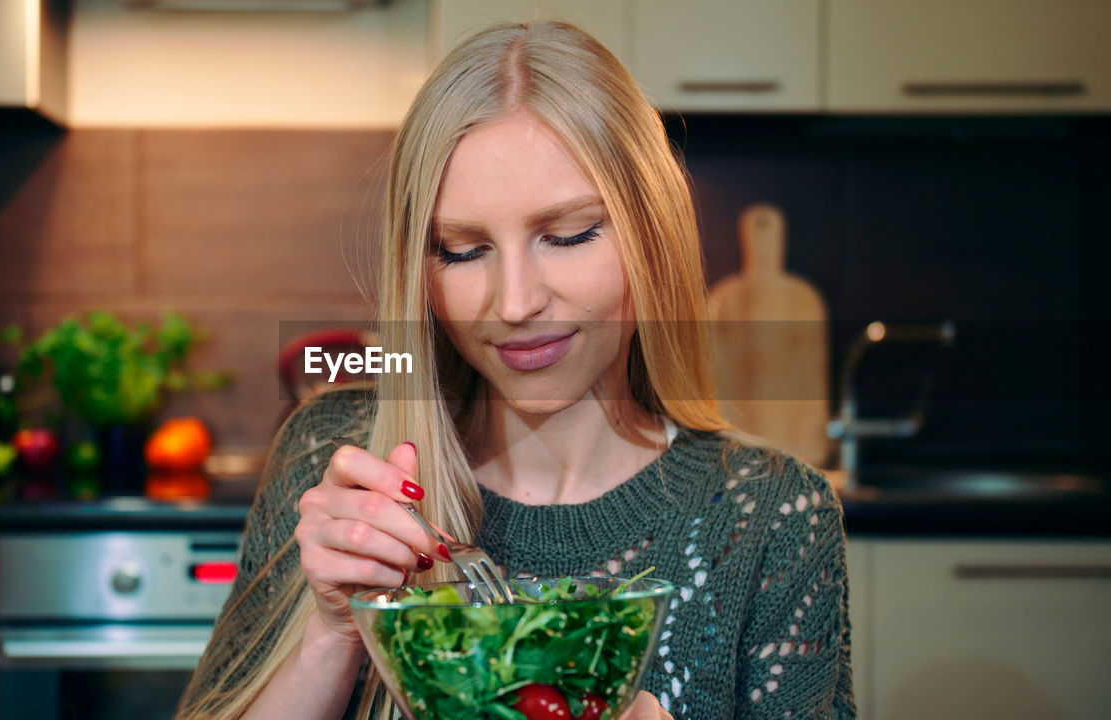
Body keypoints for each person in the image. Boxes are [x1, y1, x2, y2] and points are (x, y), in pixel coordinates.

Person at [176, 19, 854, 720]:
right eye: (464, 250)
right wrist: (333, 630)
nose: (516, 302)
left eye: (568, 236)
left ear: (652, 236)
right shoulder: (334, 459)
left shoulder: (771, 517)